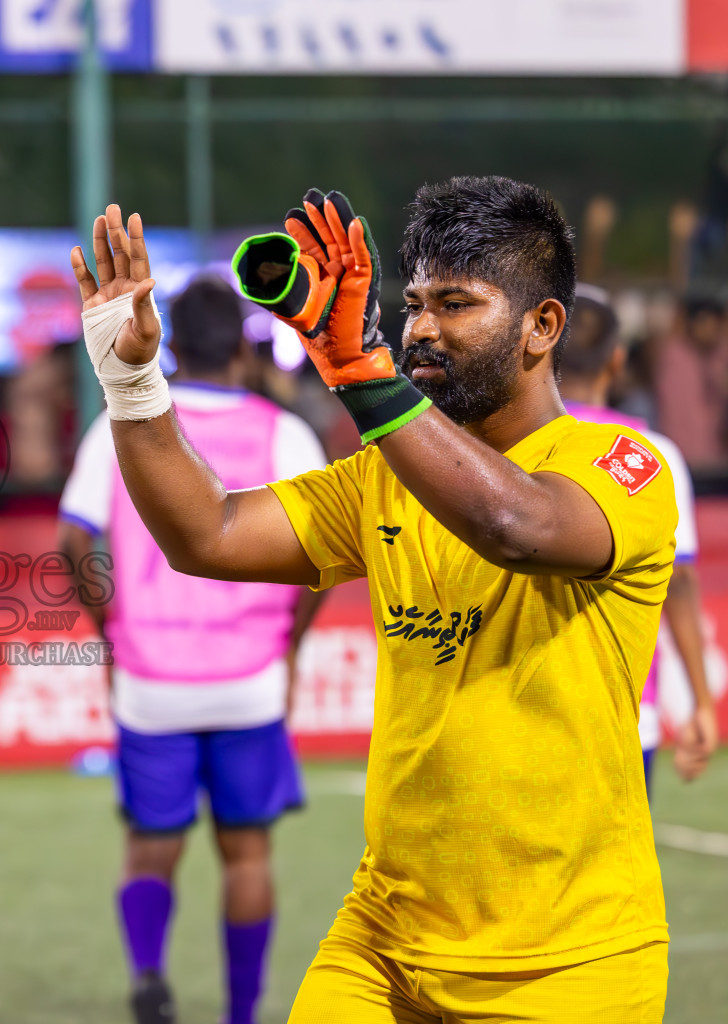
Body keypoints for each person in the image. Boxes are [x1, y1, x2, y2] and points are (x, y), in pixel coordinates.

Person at [69, 178, 673, 1022]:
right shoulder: (384, 477)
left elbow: (515, 523)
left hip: (568, 964)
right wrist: (130, 380)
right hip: (383, 942)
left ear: (543, 327)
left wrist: (359, 371)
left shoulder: (622, 465)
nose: (422, 326)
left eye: (457, 303)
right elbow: (205, 535)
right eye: (415, 301)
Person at [58, 276, 327, 1024]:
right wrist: (290, 644)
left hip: (153, 676)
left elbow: (74, 540)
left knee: (151, 846)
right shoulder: (285, 433)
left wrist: (111, 632)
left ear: (172, 344)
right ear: (242, 348)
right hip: (250, 677)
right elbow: (321, 558)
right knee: (247, 856)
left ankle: (149, 978)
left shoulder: (123, 424)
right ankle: (241, 1014)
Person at [561, 285, 718, 787]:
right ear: (617, 359)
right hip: (625, 719)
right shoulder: (656, 456)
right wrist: (701, 702)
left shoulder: (502, 445)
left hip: (518, 716)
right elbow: (681, 586)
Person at [653, 291, 728, 475]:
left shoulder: (718, 355)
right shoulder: (675, 357)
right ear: (691, 324)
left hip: (716, 460)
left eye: (715, 324)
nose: (709, 329)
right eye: (704, 322)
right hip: (683, 458)